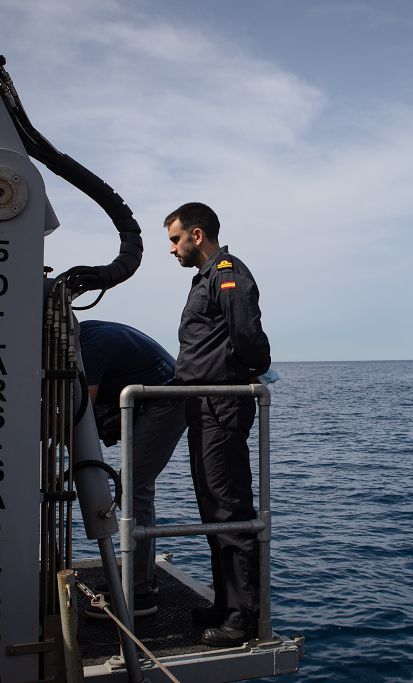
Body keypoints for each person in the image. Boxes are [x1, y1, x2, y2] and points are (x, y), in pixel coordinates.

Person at [164, 202, 271, 647]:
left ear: (198, 235)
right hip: (201, 404)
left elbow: (246, 333)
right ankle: (226, 603)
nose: (172, 249)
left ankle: (242, 617)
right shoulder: (205, 278)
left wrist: (254, 369)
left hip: (222, 404)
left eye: (175, 239)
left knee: (229, 508)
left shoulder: (228, 273)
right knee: (212, 509)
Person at [78, 320, 186, 617]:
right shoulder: (88, 334)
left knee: (134, 486)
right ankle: (142, 579)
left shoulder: (90, 347)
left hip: (167, 399)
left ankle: (138, 593)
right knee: (136, 487)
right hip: (156, 398)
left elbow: (83, 410)